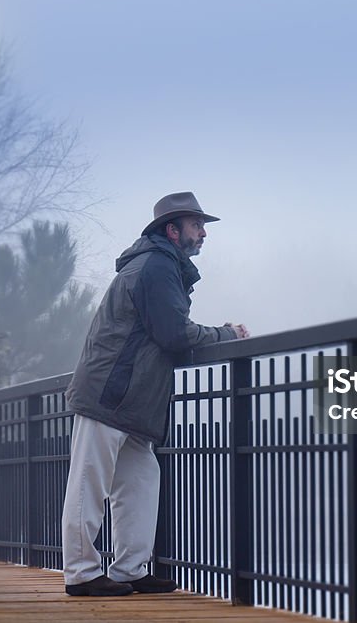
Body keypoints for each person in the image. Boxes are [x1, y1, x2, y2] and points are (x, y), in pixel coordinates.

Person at [61, 192, 249, 597]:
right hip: (110, 394)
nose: (203, 233)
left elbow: (165, 330)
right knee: (88, 485)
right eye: (197, 225)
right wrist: (225, 334)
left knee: (140, 481)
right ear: (172, 229)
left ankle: (129, 568)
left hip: (131, 400)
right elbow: (175, 334)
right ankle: (80, 573)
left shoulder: (161, 266)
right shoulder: (156, 267)